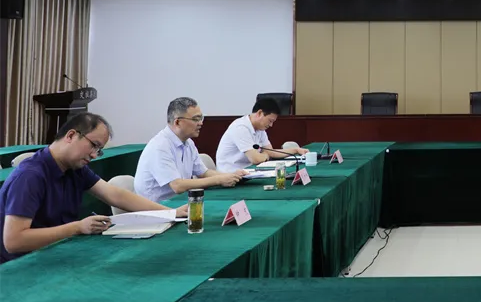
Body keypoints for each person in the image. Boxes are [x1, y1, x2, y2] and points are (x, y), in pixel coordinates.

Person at [0, 113, 188, 263]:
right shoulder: (30, 176)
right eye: (94, 146)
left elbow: (114, 194)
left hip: (55, 253)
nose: (94, 155)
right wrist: (77, 227)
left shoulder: (74, 168)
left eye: (99, 150)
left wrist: (170, 213)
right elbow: (14, 241)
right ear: (71, 135)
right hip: (20, 266)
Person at [134, 97, 247, 202]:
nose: (201, 123)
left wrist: (231, 176)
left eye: (201, 118)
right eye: (196, 119)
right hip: (159, 208)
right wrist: (219, 180)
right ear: (178, 122)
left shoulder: (188, 142)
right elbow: (177, 186)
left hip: (181, 202)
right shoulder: (160, 146)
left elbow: (204, 173)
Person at [216, 98, 308, 173]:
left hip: (249, 172)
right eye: (270, 121)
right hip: (230, 176)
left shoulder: (260, 129)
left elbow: (270, 152)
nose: (271, 125)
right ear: (259, 113)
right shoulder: (240, 128)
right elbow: (256, 159)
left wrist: (296, 150)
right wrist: (265, 155)